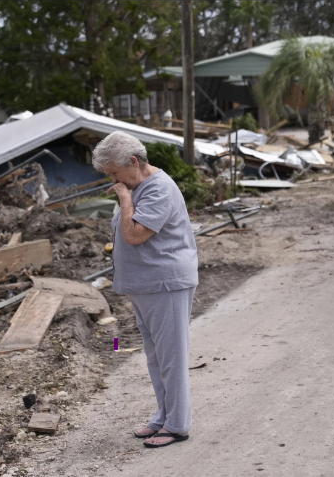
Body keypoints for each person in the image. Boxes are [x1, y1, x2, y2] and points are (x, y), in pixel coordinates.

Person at [92, 131, 198, 448]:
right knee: (156, 357)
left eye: (114, 172)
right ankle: (163, 416)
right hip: (146, 285)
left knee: (171, 356)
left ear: (134, 162)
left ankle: (178, 424)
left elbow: (136, 234)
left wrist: (124, 199)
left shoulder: (158, 189)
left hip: (165, 283)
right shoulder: (139, 186)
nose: (113, 180)